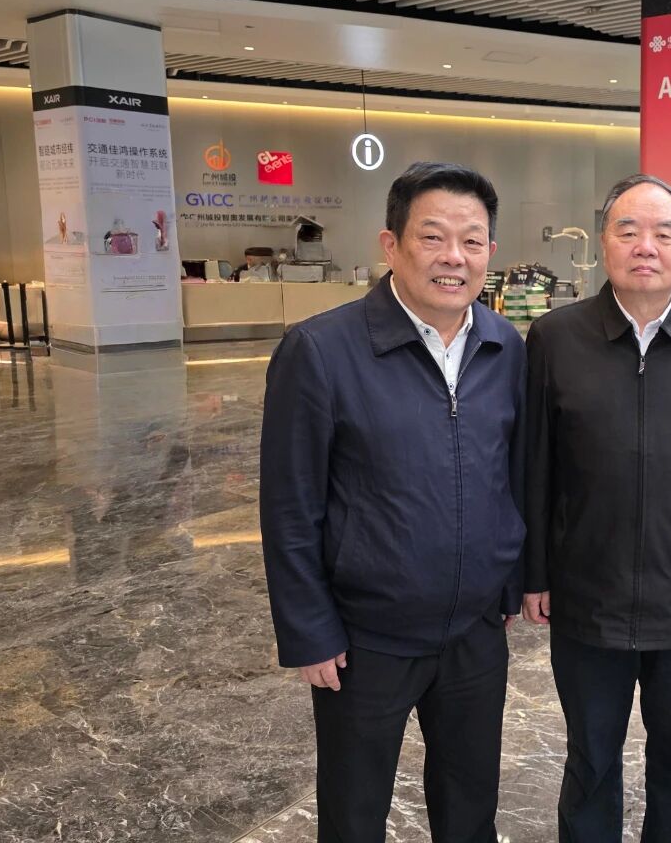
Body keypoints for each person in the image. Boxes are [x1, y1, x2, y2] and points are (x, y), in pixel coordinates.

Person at [259, 161, 526, 843]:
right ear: (392, 245)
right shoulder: (321, 350)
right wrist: (309, 630)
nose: (453, 257)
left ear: (490, 252)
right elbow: (290, 506)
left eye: (471, 240)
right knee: (354, 814)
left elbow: (512, 475)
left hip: (474, 634)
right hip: (364, 640)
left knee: (470, 809)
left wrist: (507, 582)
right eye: (433, 237)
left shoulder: (505, 347)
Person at [522, 174, 671, 843]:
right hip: (585, 593)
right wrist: (534, 573)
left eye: (664, 232)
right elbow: (535, 465)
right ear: (603, 243)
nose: (645, 247)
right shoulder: (555, 337)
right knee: (591, 755)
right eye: (627, 231)